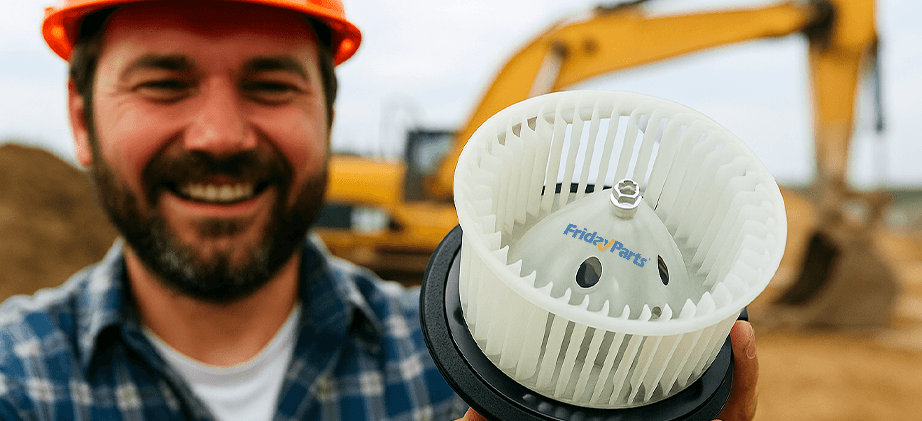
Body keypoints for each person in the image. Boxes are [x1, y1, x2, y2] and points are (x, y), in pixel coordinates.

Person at [0, 0, 758, 420]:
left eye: (270, 85)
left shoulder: (487, 371)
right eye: (163, 83)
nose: (221, 137)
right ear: (80, 119)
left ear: (328, 116)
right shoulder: (18, 380)